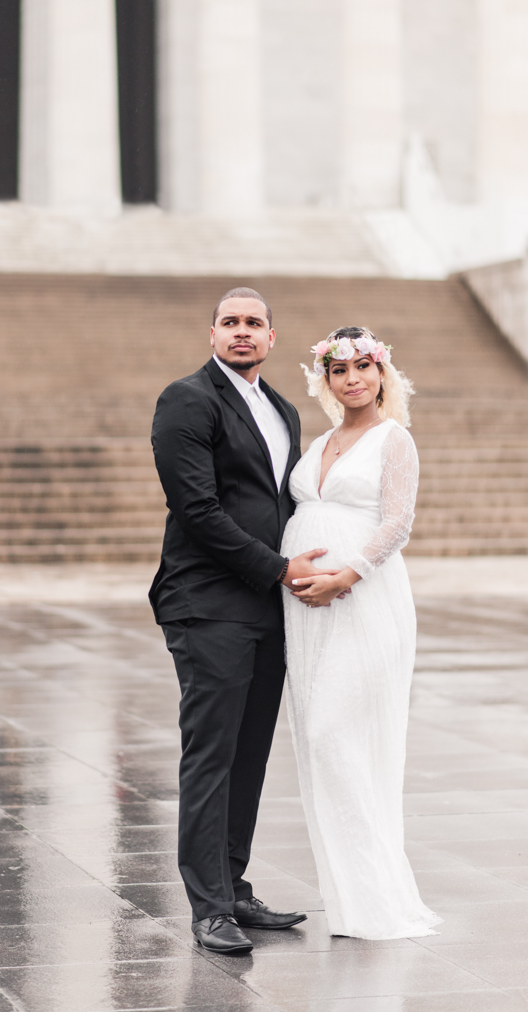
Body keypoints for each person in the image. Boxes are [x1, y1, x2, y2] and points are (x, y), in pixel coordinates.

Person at [150, 288, 333, 954]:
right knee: (211, 751)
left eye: (254, 323)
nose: (243, 332)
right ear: (212, 334)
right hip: (207, 601)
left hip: (267, 607)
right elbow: (198, 511)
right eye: (231, 322)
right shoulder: (187, 401)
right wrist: (280, 567)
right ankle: (207, 907)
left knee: (250, 750)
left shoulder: (282, 408)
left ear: (272, 337)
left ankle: (233, 883)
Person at [281, 327, 441, 939]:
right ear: (325, 379)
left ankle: (378, 897)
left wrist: (345, 575)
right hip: (306, 609)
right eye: (339, 369)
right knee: (317, 739)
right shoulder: (320, 440)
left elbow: (398, 522)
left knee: (332, 733)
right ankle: (352, 901)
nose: (352, 379)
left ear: (382, 375)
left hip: (365, 599)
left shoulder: (392, 439)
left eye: (362, 368)